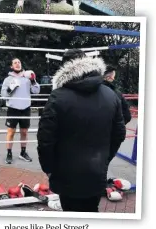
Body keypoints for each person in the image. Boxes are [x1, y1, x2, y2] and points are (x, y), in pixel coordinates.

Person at [37, 49, 126, 212]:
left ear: (64, 68)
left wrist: (49, 168)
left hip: (66, 174)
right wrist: (104, 159)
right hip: (96, 171)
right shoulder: (111, 94)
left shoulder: (58, 96)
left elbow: (45, 140)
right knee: (91, 212)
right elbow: (119, 133)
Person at [0, 58, 40, 164]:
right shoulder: (8, 79)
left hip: (25, 108)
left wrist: (33, 80)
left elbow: (36, 91)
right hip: (13, 109)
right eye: (15, 63)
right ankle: (9, 153)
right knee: (11, 132)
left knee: (24, 132)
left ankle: (23, 153)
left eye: (19, 62)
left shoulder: (27, 77)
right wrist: (10, 89)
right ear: (11, 66)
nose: (17, 64)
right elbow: (3, 95)